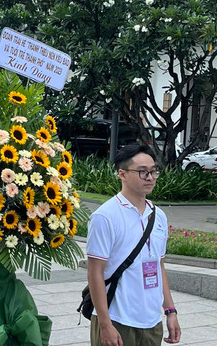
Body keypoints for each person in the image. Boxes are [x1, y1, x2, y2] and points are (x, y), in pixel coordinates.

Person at [87, 144, 181, 346]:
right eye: (142, 172)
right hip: (117, 320)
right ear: (122, 174)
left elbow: (159, 266)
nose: (150, 177)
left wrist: (170, 311)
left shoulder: (159, 216)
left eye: (153, 171)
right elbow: (95, 272)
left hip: (152, 323)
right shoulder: (105, 216)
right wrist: (105, 324)